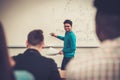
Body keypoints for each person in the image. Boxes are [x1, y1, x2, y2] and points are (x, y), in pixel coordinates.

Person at [66, 0, 120, 80]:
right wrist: (56, 36)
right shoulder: (66, 34)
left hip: (69, 56)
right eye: (65, 26)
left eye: (68, 26)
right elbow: (64, 39)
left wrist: (64, 51)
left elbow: (73, 48)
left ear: (97, 28)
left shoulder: (77, 67)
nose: (66, 28)